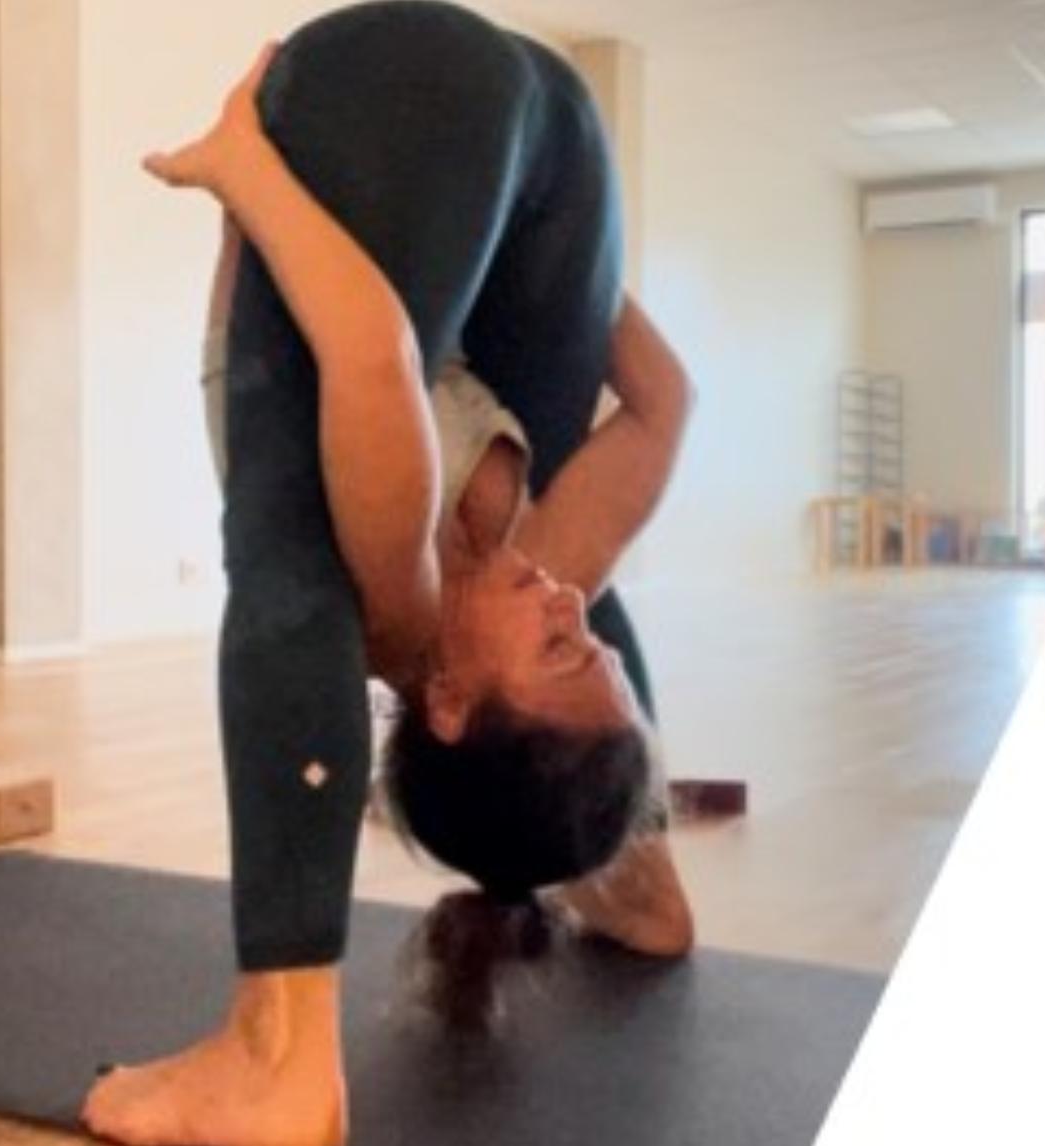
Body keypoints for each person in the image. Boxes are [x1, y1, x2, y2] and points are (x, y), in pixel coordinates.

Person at [85, 5, 695, 1143]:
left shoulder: (394, 590)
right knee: (561, 523)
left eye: (562, 647)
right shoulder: (537, 569)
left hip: (409, 98)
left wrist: (242, 171)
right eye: (597, 643)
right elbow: (665, 405)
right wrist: (549, 243)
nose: (576, 603)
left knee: (286, 544)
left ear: (449, 700)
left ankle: (277, 1061)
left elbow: (369, 349)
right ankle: (637, 880)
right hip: (558, 144)